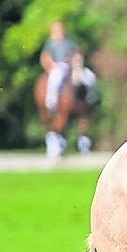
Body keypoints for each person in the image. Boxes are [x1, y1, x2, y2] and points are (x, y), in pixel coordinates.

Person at [40, 21, 79, 157]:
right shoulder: (50, 43)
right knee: (55, 79)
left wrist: (76, 68)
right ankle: (51, 99)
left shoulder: (69, 42)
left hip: (69, 67)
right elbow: (45, 57)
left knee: (88, 78)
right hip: (57, 67)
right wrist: (51, 66)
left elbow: (76, 56)